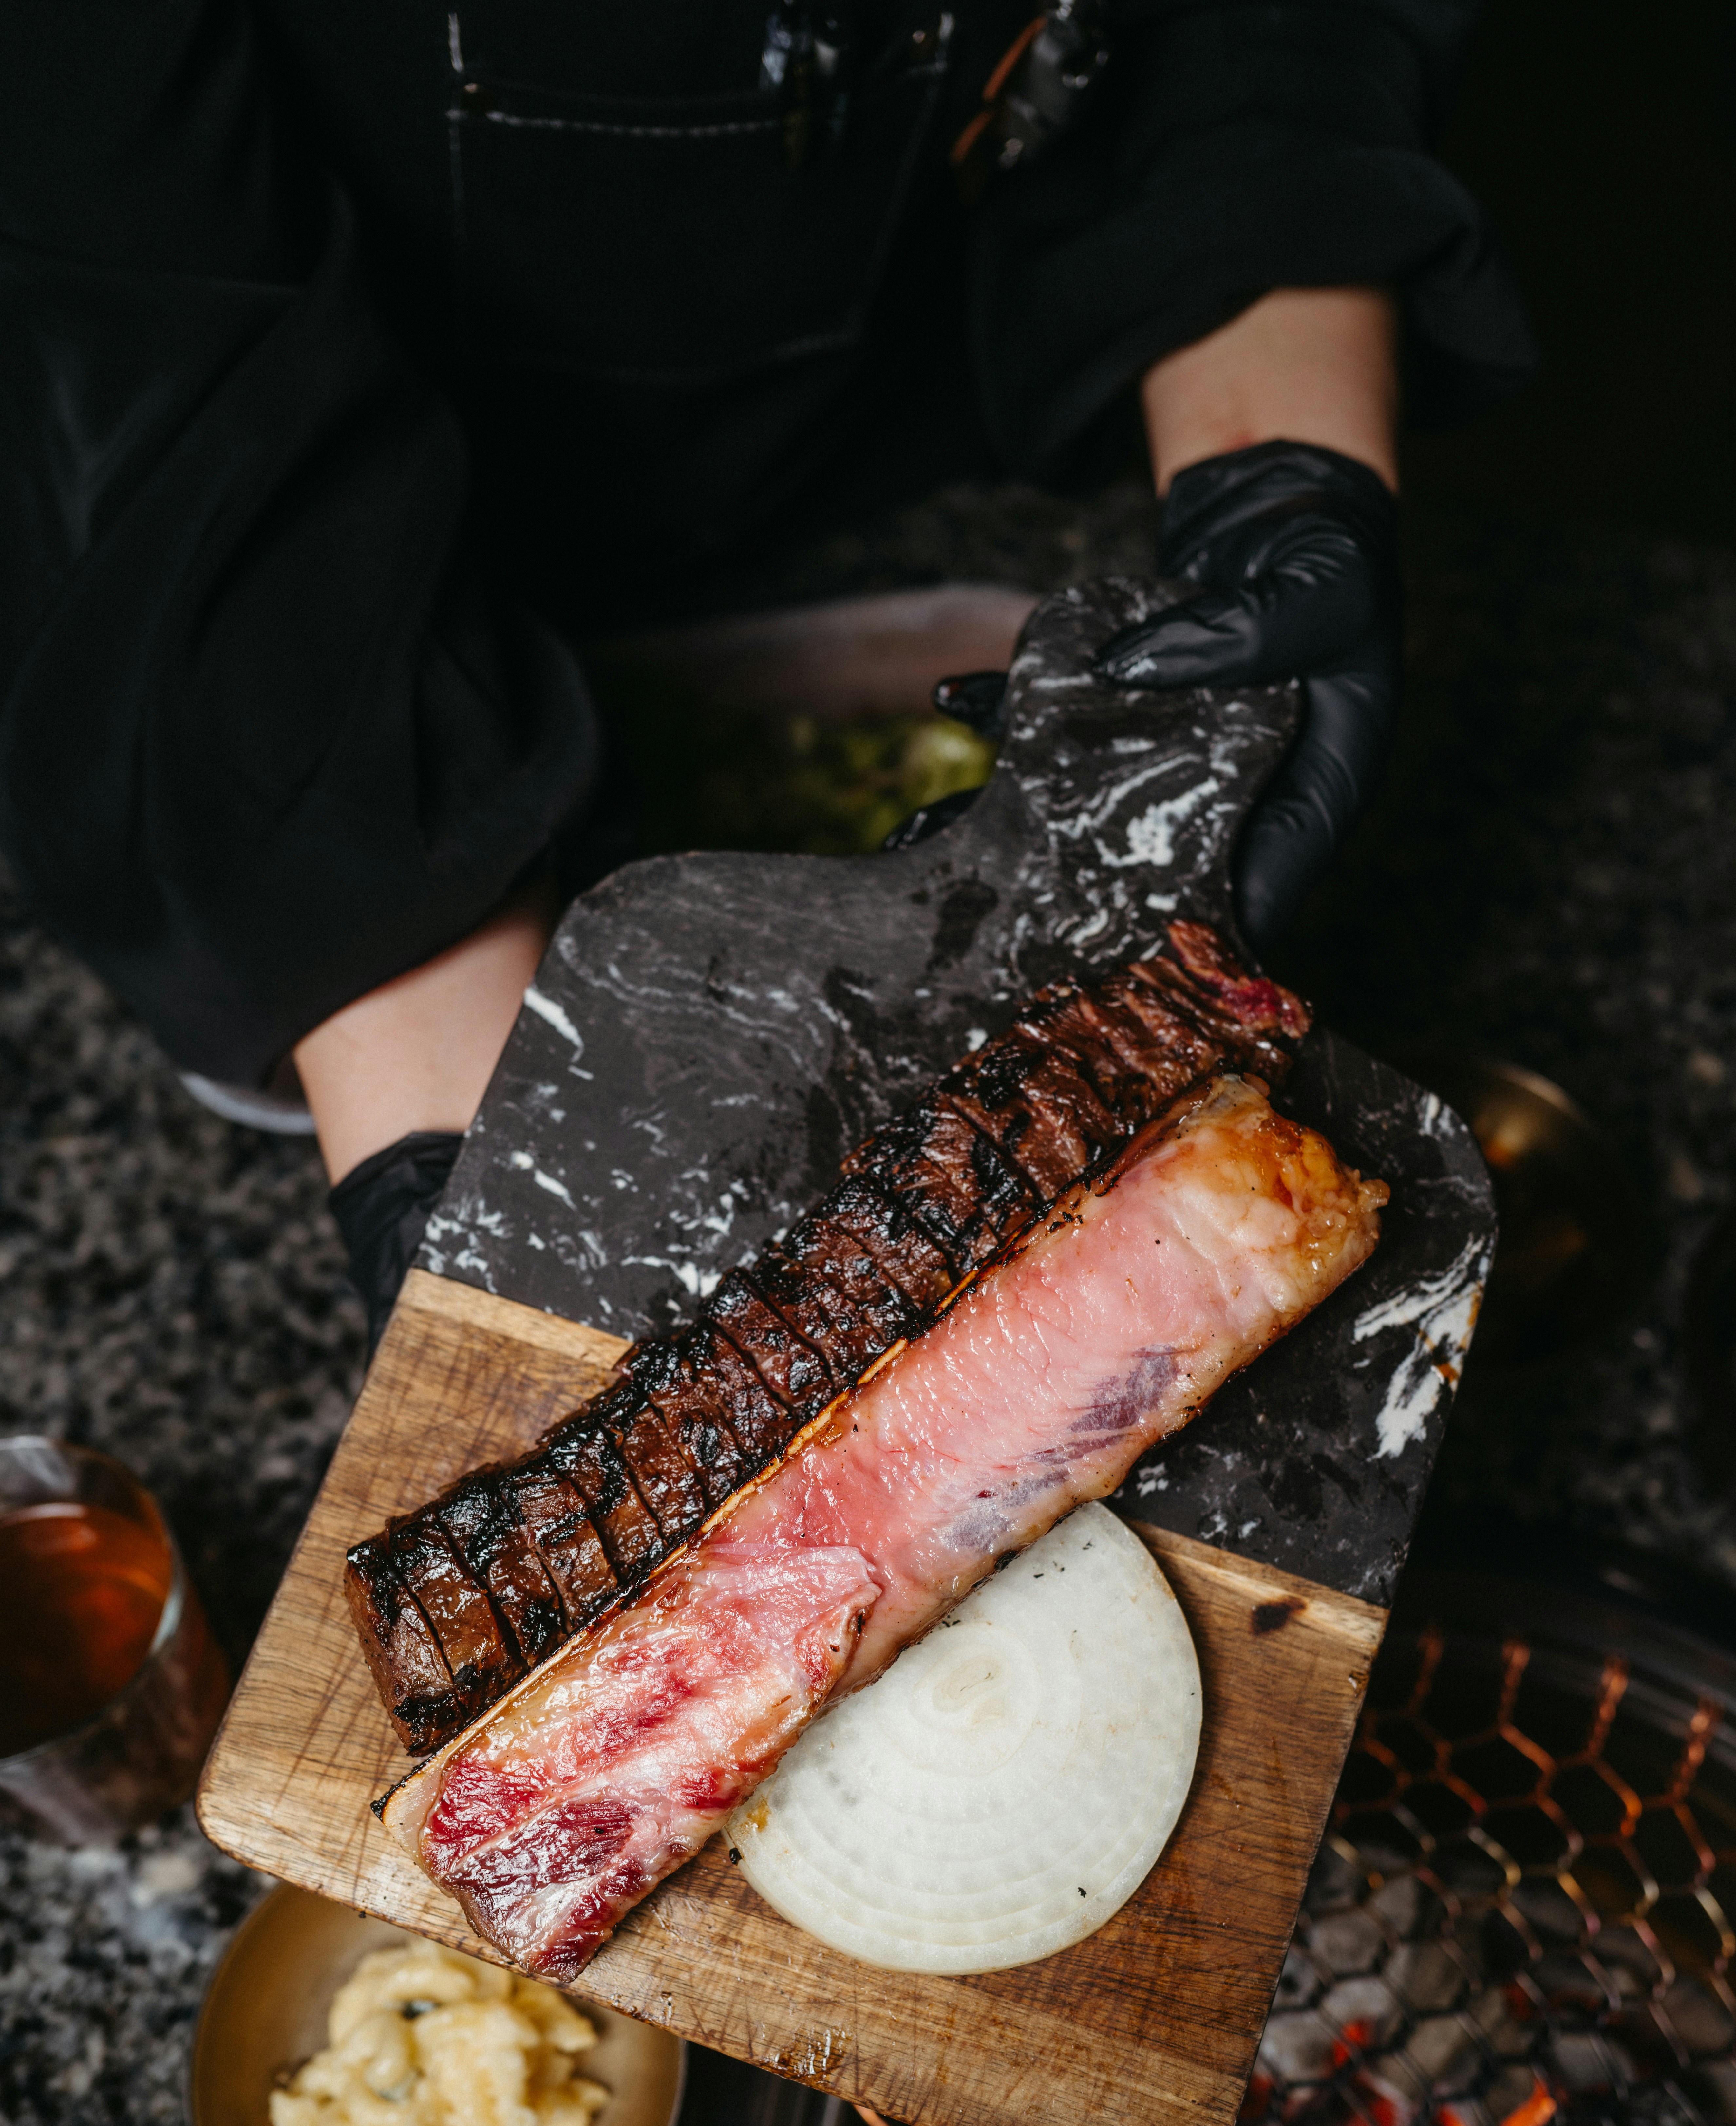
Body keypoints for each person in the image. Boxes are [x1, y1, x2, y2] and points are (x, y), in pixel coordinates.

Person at [0, 2, 1533, 1345]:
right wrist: (464, 1140)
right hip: (264, 593)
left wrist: (1276, 472)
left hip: (913, 399)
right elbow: (127, 313)